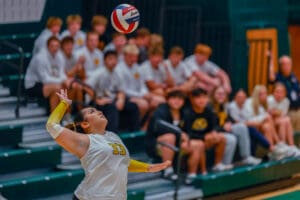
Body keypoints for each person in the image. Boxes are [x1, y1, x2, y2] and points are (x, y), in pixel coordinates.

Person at [46, 89, 170, 200]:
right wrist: (64, 104)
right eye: (92, 111)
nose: (98, 111)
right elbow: (51, 126)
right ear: (85, 124)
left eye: (97, 109)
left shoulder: (113, 136)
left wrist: (147, 167)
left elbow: (122, 161)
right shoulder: (84, 140)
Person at [147, 90, 206, 184]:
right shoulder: (161, 111)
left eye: (180, 99)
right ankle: (168, 171)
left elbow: (188, 131)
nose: (177, 101)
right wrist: (179, 134)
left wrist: (187, 138)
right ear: (168, 100)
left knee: (198, 144)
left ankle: (191, 175)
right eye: (174, 98)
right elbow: (157, 129)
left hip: (177, 145)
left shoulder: (184, 113)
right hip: (158, 145)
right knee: (170, 137)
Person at [86, 50, 140, 133]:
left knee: (133, 106)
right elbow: (86, 87)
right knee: (111, 107)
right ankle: (113, 135)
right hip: (97, 101)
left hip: (111, 99)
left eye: (115, 59)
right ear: (105, 61)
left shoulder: (118, 73)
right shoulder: (98, 73)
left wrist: (121, 100)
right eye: (110, 59)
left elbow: (121, 90)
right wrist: (97, 99)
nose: (113, 61)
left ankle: (135, 133)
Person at [183, 88, 235, 172]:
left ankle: (217, 164)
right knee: (200, 144)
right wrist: (204, 137)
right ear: (192, 99)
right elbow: (187, 133)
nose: (202, 100)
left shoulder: (208, 111)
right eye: (198, 98)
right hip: (192, 140)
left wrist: (213, 132)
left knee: (221, 137)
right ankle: (198, 171)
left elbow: (215, 125)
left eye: (204, 97)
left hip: (206, 139)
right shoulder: (187, 113)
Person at [211, 86, 262, 165]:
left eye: (223, 94)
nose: (221, 96)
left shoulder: (224, 106)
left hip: (224, 129)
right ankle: (225, 164)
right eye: (218, 94)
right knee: (232, 139)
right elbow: (210, 126)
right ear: (213, 95)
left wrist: (229, 123)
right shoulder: (210, 107)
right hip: (215, 131)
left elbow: (228, 119)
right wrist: (222, 128)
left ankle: (246, 157)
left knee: (242, 127)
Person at [243, 85, 291, 160]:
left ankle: (273, 151)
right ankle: (278, 143)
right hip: (249, 127)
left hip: (259, 126)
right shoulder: (249, 102)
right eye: (261, 94)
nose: (264, 96)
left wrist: (263, 118)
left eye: (265, 93)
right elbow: (247, 121)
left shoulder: (262, 105)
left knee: (267, 127)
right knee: (268, 118)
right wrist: (263, 118)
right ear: (256, 94)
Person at [25, 36, 67, 112]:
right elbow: (44, 79)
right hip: (33, 85)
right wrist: (62, 81)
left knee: (62, 89)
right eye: (52, 46)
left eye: (57, 46)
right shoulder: (40, 58)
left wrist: (65, 80)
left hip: (50, 83)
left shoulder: (60, 56)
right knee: (59, 88)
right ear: (48, 47)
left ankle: (58, 117)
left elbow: (62, 73)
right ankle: (57, 117)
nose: (55, 48)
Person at [227, 89, 271, 154]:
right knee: (251, 129)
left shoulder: (245, 105)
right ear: (235, 98)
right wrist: (251, 123)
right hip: (233, 127)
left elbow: (248, 119)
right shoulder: (232, 106)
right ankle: (269, 146)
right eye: (239, 97)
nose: (241, 99)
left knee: (254, 129)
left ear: (245, 98)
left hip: (244, 126)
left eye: (243, 97)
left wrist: (253, 123)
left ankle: (254, 154)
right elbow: (236, 122)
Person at [116, 44, 150, 120]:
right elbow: (123, 89)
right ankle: (136, 125)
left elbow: (142, 85)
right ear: (124, 56)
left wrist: (145, 93)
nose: (133, 59)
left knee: (154, 101)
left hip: (138, 95)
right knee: (143, 105)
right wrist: (140, 95)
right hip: (126, 96)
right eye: (130, 56)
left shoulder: (137, 68)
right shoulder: (119, 69)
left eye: (135, 56)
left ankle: (145, 125)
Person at [269, 55, 300, 131]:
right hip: (288, 111)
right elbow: (271, 77)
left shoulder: (293, 77)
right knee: (291, 132)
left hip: (298, 110)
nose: (287, 66)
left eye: (289, 64)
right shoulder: (278, 77)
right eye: (284, 64)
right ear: (280, 66)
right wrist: (271, 60)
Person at [267, 82, 300, 155]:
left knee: (286, 120)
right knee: (285, 120)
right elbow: (270, 116)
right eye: (277, 92)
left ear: (285, 94)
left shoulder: (286, 101)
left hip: (280, 121)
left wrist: (276, 113)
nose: (279, 94)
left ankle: (291, 146)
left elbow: (281, 115)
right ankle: (284, 146)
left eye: (281, 92)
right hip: (270, 123)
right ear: (273, 92)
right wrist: (276, 113)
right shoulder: (269, 100)